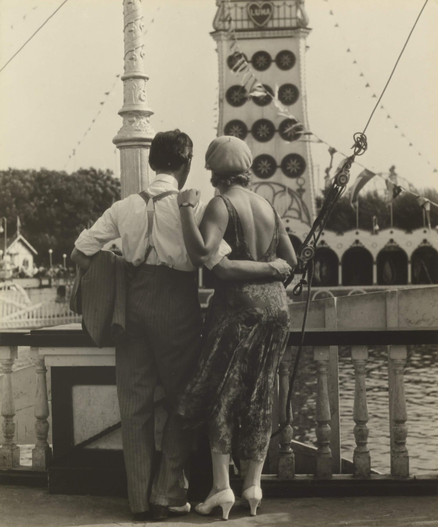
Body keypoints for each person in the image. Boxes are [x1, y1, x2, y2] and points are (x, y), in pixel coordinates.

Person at [71, 130, 291, 522]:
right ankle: (167, 491)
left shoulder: (123, 207)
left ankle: (138, 501)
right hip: (177, 309)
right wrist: (273, 268)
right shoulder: (194, 206)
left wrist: (117, 272)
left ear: (152, 162)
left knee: (134, 405)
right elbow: (216, 261)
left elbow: (81, 253)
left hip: (132, 308)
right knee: (184, 402)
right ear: (187, 165)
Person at [176, 135, 297, 520]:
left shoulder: (220, 204)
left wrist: (185, 210)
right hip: (277, 310)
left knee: (222, 393)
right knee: (261, 392)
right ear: (247, 169)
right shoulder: (266, 205)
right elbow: (289, 263)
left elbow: (203, 255)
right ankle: (253, 485)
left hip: (237, 310)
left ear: (214, 172)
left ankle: (221, 488)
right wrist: (270, 269)